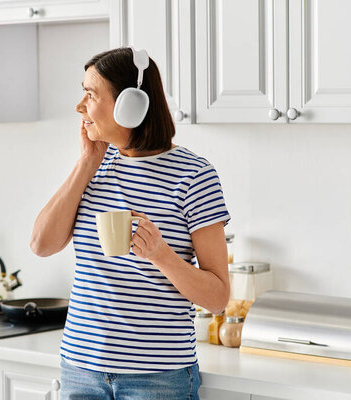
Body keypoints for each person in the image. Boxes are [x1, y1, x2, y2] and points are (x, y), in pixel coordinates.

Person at [30, 47, 231, 399]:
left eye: (91, 95)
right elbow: (41, 244)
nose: (80, 107)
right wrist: (86, 165)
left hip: (157, 378)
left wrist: (161, 255)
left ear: (130, 104)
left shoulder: (194, 176)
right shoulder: (95, 166)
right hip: (80, 369)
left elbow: (218, 298)